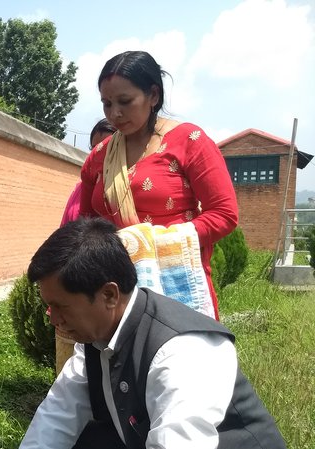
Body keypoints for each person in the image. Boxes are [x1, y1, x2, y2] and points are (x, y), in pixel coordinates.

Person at [8, 218, 301, 449]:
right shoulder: (98, 339)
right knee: (71, 444)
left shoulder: (182, 350)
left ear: (109, 295)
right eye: (49, 307)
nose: (53, 319)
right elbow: (57, 414)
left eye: (60, 307)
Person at [78, 50, 238, 317]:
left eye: (125, 101)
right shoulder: (100, 156)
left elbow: (224, 214)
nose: (114, 113)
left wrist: (156, 242)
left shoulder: (189, 141)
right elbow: (85, 222)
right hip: (115, 288)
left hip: (177, 283)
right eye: (106, 103)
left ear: (153, 95)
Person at [55, 118, 117, 373]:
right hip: (72, 292)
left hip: (105, 303)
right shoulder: (80, 189)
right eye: (93, 148)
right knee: (70, 374)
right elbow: (64, 237)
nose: (98, 154)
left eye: (106, 147)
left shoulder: (125, 192)